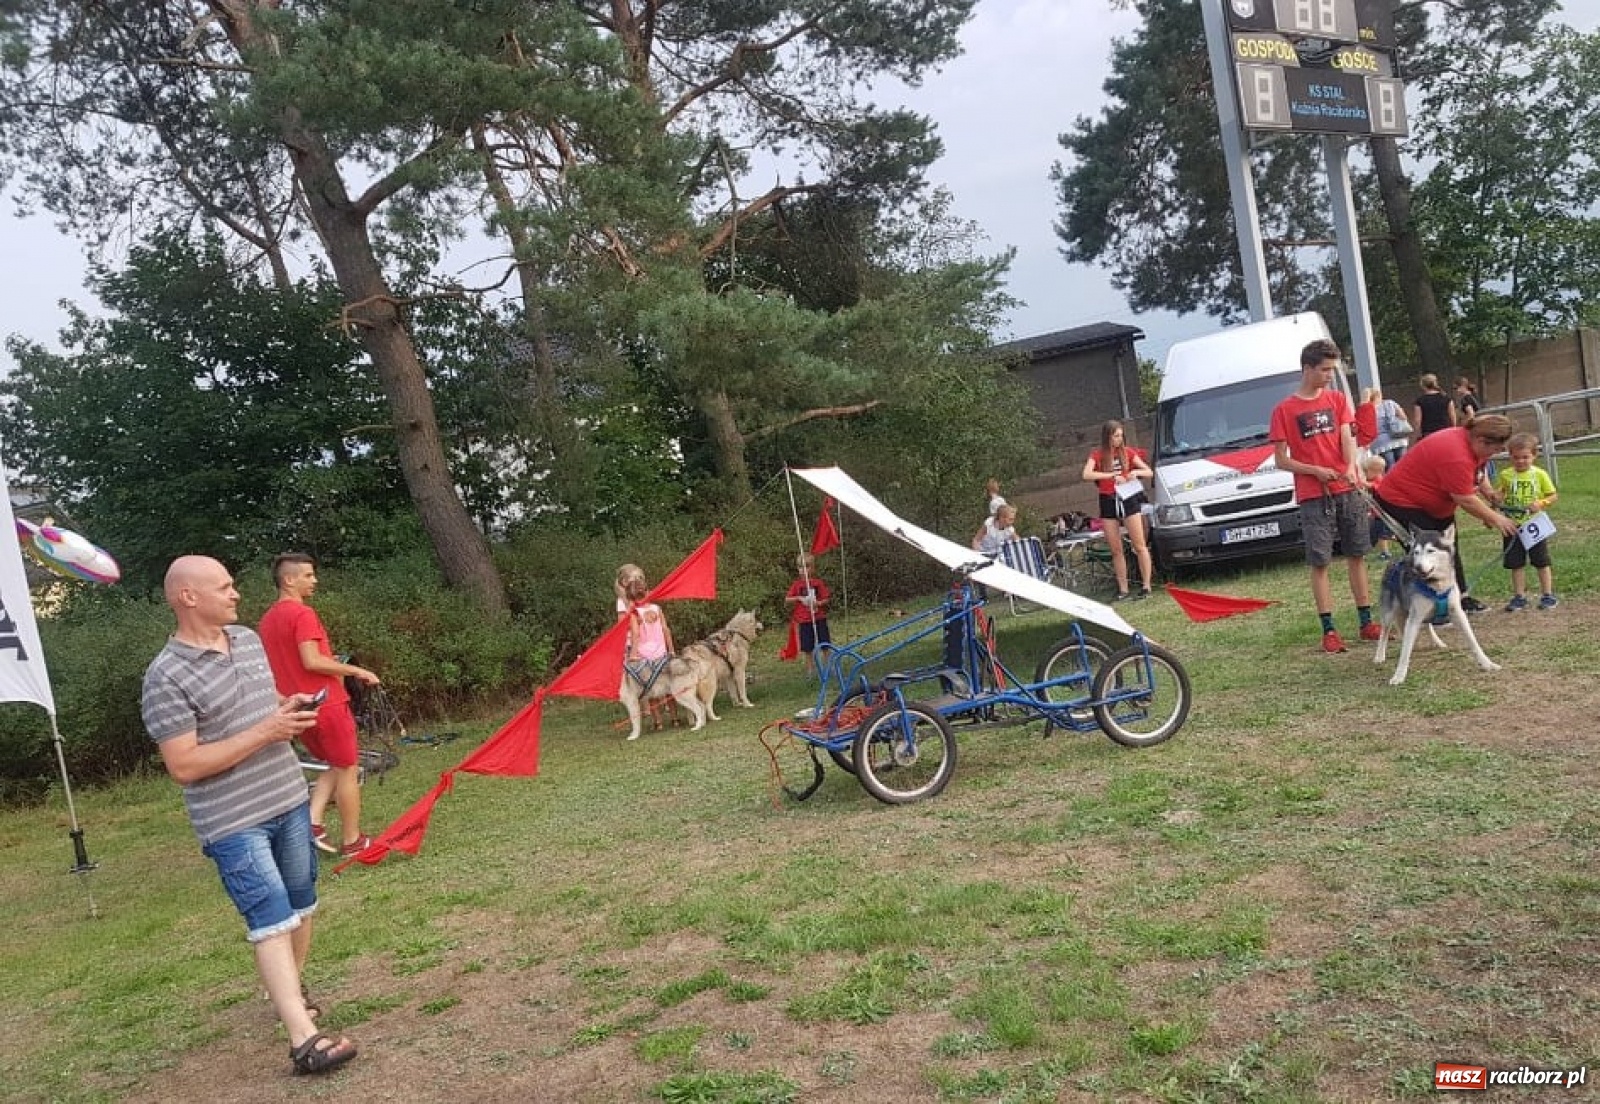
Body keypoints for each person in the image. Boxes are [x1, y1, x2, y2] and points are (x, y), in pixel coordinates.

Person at [141, 556, 358, 1076]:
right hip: (233, 820)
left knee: (301, 904)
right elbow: (183, 765)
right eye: (224, 587)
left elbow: (263, 703)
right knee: (270, 915)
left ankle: (291, 993)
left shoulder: (246, 640)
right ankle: (304, 1041)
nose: (236, 594)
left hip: (286, 797)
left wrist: (288, 705)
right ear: (189, 597)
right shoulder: (165, 676)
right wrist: (266, 732)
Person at [258, 554, 381, 858]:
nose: (314, 581)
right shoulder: (302, 614)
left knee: (336, 764)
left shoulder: (267, 620)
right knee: (349, 768)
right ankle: (353, 841)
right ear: (289, 580)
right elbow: (311, 661)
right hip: (326, 703)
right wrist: (356, 670)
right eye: (308, 576)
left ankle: (312, 823)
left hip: (298, 708)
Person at [1269, 338, 1376, 653]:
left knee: (1357, 553)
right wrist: (1314, 470)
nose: (1330, 375)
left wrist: (1350, 467)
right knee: (1320, 561)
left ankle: (1366, 621)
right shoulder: (1284, 410)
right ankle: (1329, 629)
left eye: (1332, 369)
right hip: (1313, 495)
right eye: (1325, 369)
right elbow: (1281, 460)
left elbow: (1347, 438)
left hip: (1346, 489)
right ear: (1308, 368)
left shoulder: (1337, 400)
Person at [1373, 413, 1521, 615]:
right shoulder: (1456, 454)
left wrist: (1488, 492)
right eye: (1496, 449)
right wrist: (1496, 519)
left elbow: (1479, 468)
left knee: (1448, 547)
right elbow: (1465, 499)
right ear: (1482, 440)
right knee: (1428, 552)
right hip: (1403, 501)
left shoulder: (1473, 444)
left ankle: (1459, 597)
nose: (1496, 454)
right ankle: (1432, 606)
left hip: (1435, 502)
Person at [1081, 419, 1154, 601]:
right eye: (1116, 436)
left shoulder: (1128, 452)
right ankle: (1123, 589)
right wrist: (1110, 475)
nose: (1119, 439)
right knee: (1116, 549)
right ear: (1108, 437)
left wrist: (1135, 473)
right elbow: (1086, 474)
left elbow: (1149, 471)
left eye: (1121, 436)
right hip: (1108, 499)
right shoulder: (1097, 455)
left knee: (1139, 545)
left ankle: (1146, 586)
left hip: (1128, 498)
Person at [1490, 432, 1559, 611]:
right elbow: (1502, 492)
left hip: (1533, 524)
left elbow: (1553, 495)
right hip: (1512, 525)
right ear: (1510, 456)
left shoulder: (1540, 474)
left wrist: (1541, 503)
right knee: (1516, 562)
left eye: (1525, 457)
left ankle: (1548, 594)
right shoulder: (1506, 475)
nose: (1520, 461)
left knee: (1541, 560)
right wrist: (1497, 499)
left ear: (1534, 456)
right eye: (1516, 457)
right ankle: (1519, 596)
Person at [783, 552, 832, 678]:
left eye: (807, 566)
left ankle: (828, 667)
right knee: (807, 647)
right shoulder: (796, 585)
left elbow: (826, 599)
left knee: (825, 644)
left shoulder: (818, 583)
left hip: (819, 618)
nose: (803, 570)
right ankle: (810, 670)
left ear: (813, 568)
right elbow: (787, 599)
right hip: (804, 621)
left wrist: (818, 603)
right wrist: (798, 598)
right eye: (800, 567)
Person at [1366, 386, 1412, 469]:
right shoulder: (1390, 403)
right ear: (1379, 395)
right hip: (1398, 437)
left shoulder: (1368, 410)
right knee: (1403, 465)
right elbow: (1403, 417)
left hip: (1381, 442)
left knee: (1390, 466)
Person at [1362, 453, 1395, 560]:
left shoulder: (1379, 480)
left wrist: (1360, 482)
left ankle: (1385, 553)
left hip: (1382, 514)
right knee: (1376, 533)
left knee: (1382, 535)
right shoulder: (1373, 479)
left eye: (1366, 472)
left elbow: (1371, 486)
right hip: (1377, 514)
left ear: (1376, 471)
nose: (1365, 474)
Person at [1413, 373, 1455, 439]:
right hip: (1445, 431)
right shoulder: (1446, 398)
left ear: (1423, 385)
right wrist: (1454, 428)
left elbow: (1417, 421)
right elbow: (1452, 416)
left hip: (1428, 433)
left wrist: (1416, 434)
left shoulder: (1420, 401)